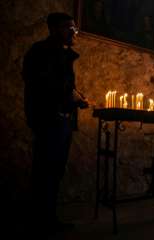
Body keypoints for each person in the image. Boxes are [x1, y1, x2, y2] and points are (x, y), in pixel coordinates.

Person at [22, 12, 89, 234]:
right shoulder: (39, 52)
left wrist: (77, 96)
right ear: (53, 29)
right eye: (68, 28)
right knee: (45, 171)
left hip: (64, 121)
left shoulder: (65, 54)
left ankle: (48, 218)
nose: (73, 32)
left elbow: (64, 85)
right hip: (48, 119)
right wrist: (70, 96)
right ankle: (40, 221)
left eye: (75, 29)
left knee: (55, 172)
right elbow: (40, 83)